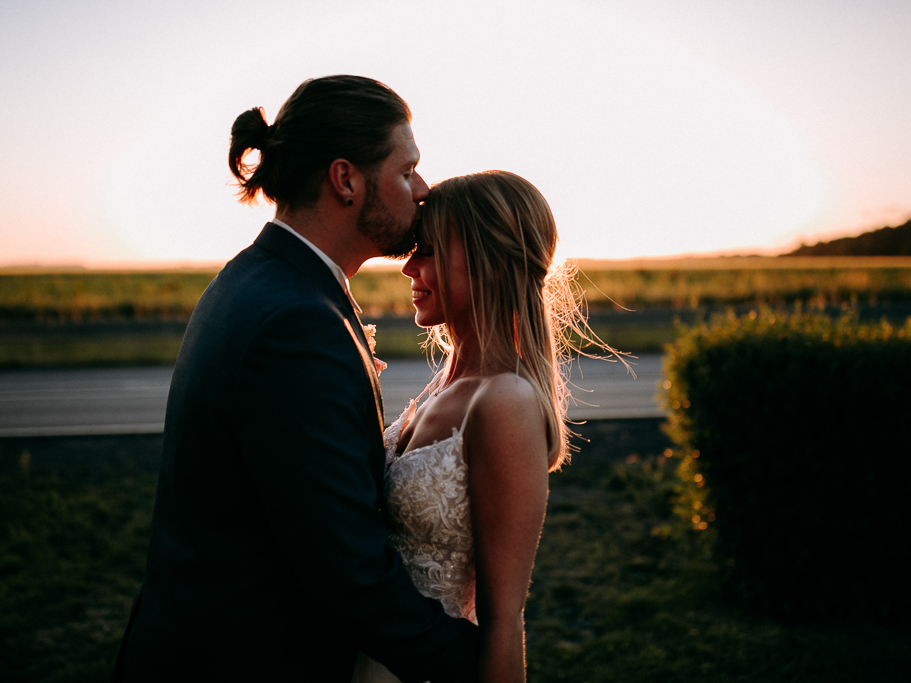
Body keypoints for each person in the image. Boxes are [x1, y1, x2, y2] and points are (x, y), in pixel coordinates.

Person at [112, 76, 480, 682]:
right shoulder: (297, 323)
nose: (422, 188)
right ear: (345, 179)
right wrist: (477, 663)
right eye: (407, 168)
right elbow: (346, 571)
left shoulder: (257, 280)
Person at [354, 170, 595, 682]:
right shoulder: (444, 378)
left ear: (491, 261)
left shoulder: (504, 400)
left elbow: (503, 621)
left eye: (430, 250)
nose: (410, 267)